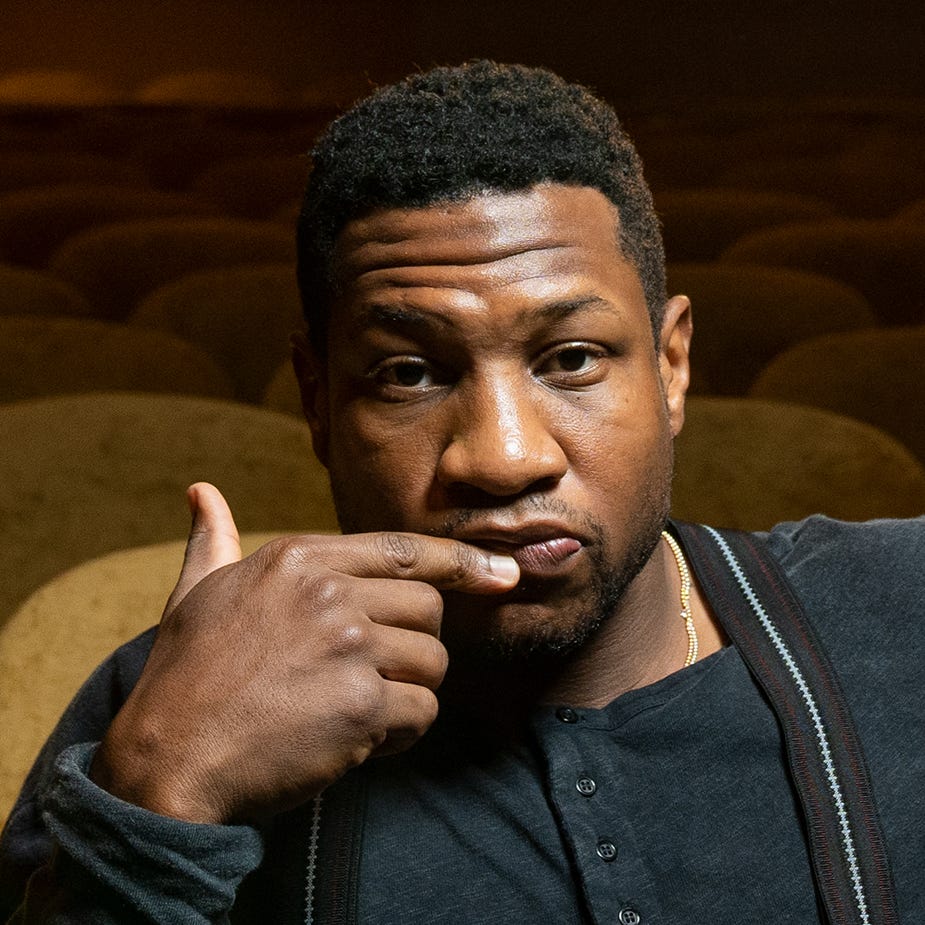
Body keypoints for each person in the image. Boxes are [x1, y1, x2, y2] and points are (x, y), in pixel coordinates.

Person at [1, 60, 922, 924]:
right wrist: (164, 796)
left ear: (672, 366)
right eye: (408, 374)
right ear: (318, 402)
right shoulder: (171, 700)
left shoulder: (901, 604)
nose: (502, 456)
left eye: (570, 360)